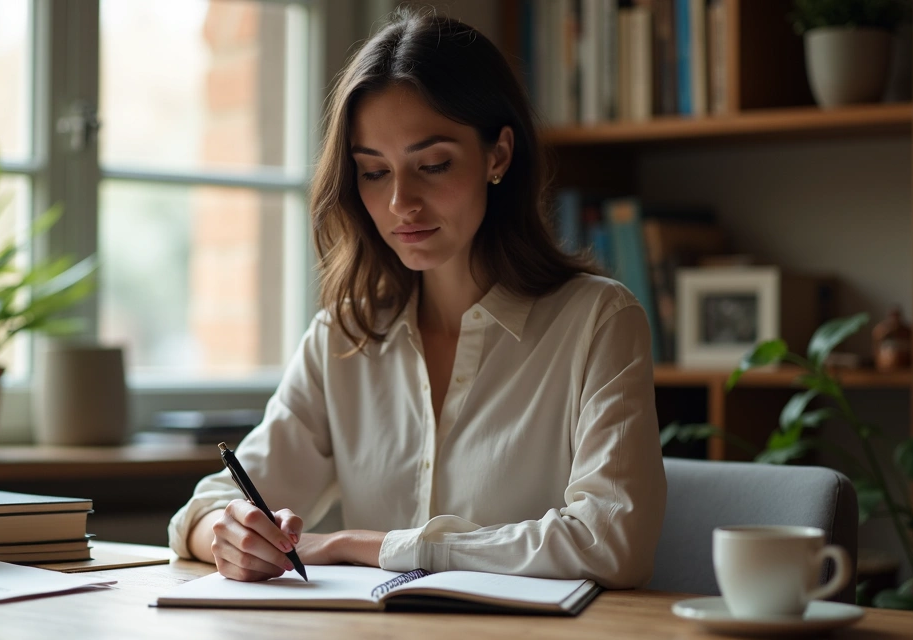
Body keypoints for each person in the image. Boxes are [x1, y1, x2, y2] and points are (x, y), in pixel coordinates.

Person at [167, 8, 666, 589]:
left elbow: (612, 543)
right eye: (373, 172)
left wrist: (367, 546)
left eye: (432, 165)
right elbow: (204, 510)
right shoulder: (343, 337)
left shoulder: (599, 322)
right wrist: (232, 537)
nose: (401, 202)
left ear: (498, 155)